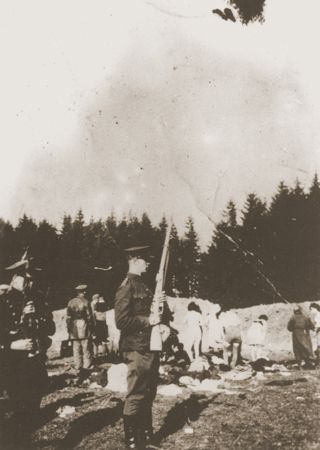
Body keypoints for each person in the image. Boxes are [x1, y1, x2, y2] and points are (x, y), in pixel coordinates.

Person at [115, 245, 167, 450]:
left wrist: (161, 312)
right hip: (136, 348)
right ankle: (133, 443)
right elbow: (121, 321)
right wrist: (149, 321)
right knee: (136, 394)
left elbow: (153, 312)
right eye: (145, 260)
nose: (149, 263)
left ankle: (147, 437)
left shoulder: (144, 285)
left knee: (149, 392)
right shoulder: (127, 286)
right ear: (135, 260)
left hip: (150, 345)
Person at [0, 256, 55, 447]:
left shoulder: (38, 300)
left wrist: (37, 321)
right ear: (14, 278)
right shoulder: (3, 302)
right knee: (16, 413)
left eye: (32, 279)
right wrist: (11, 345)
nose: (30, 283)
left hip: (35, 364)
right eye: (26, 278)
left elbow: (50, 331)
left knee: (32, 410)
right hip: (12, 365)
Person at [66, 284, 94, 377]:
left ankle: (78, 366)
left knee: (76, 348)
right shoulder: (86, 302)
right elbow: (89, 316)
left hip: (74, 326)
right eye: (84, 291)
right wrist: (92, 327)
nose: (85, 292)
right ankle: (87, 366)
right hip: (84, 324)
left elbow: (68, 316)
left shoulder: (70, 302)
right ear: (81, 292)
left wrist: (69, 328)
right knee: (86, 347)